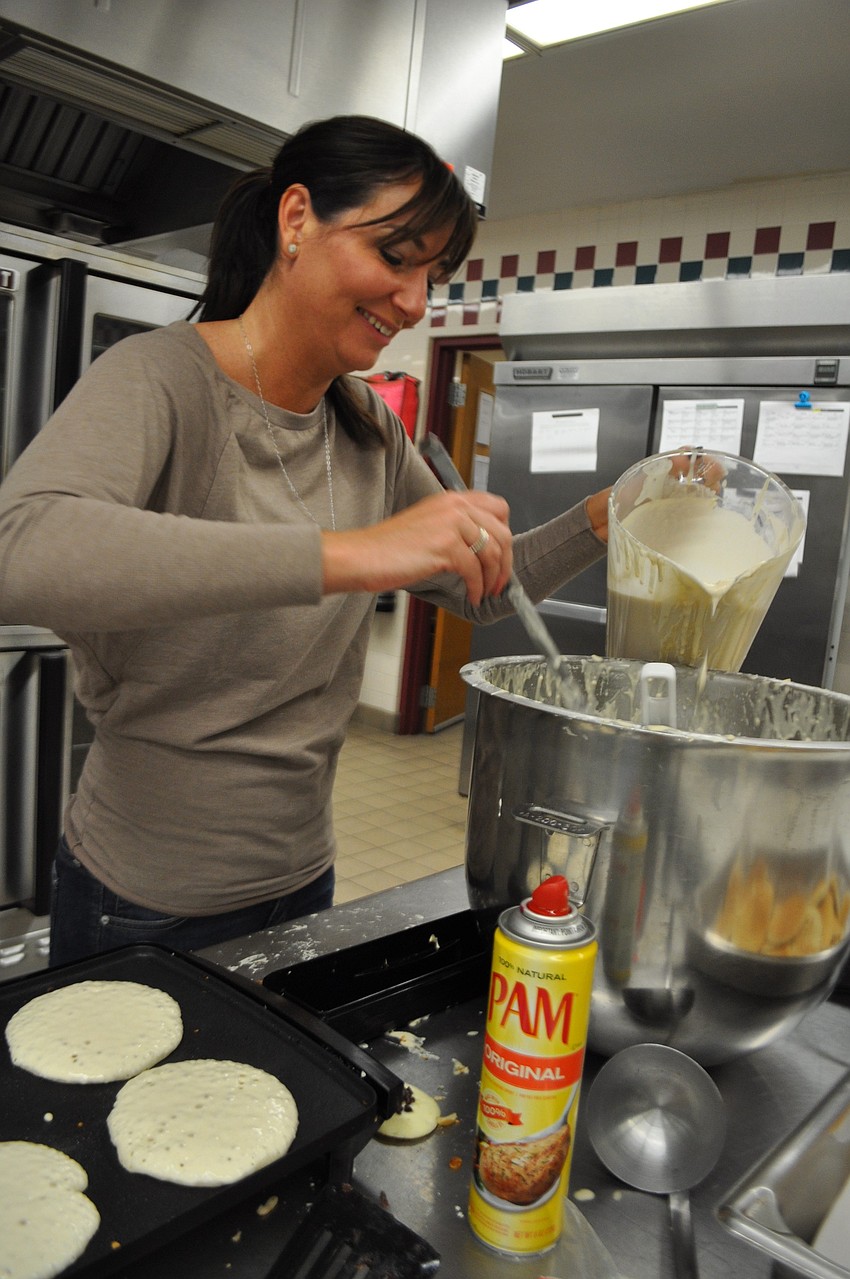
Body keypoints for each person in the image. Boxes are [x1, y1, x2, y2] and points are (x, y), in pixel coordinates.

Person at [0, 115, 609, 966]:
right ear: (297, 221)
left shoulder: (363, 427)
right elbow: (24, 550)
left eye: (431, 274)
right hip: (146, 896)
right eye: (396, 257)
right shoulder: (162, 379)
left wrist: (607, 515)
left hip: (304, 877)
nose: (414, 301)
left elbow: (487, 591)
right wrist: (353, 553)